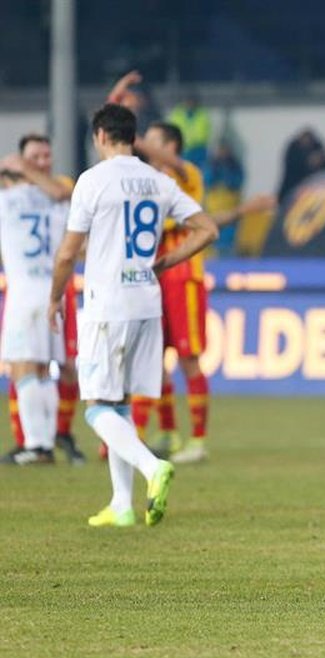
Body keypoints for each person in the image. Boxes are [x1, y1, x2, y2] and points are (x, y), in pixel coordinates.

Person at [47, 103, 217, 527]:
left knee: (96, 407)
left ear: (100, 136)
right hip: (147, 302)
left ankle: (150, 467)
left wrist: (53, 298)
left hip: (109, 305)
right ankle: (121, 504)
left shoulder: (93, 180)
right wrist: (166, 262)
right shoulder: (157, 180)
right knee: (119, 404)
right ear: (131, 135)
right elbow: (207, 229)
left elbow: (68, 251)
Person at [0, 134, 86, 465]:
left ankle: (37, 446)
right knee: (44, 368)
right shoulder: (60, 200)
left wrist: (16, 167)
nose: (41, 162)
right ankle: (45, 440)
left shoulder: (9, 199)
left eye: (45, 156)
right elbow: (62, 192)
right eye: (34, 157)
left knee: (24, 367)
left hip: (24, 292)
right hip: (52, 292)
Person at [128, 122, 211, 464]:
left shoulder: (186, 174)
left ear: (172, 146)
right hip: (153, 278)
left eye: (154, 141)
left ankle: (198, 440)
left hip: (184, 278)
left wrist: (130, 137)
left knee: (189, 359)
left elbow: (173, 164)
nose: (147, 146)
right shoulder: (146, 181)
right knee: (154, 359)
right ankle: (168, 431)